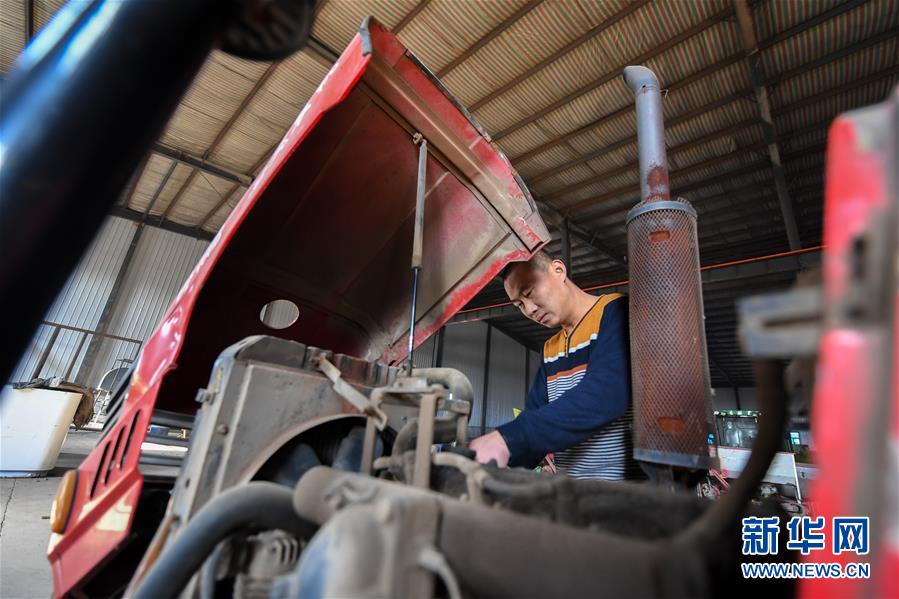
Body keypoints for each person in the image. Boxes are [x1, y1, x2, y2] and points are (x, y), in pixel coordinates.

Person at [468, 252, 641, 480]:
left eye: (529, 293)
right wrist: (489, 464)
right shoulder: (551, 349)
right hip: (572, 494)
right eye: (519, 304)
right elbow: (536, 417)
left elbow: (606, 395)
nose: (528, 309)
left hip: (630, 494)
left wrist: (507, 439)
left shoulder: (615, 312)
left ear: (558, 270)